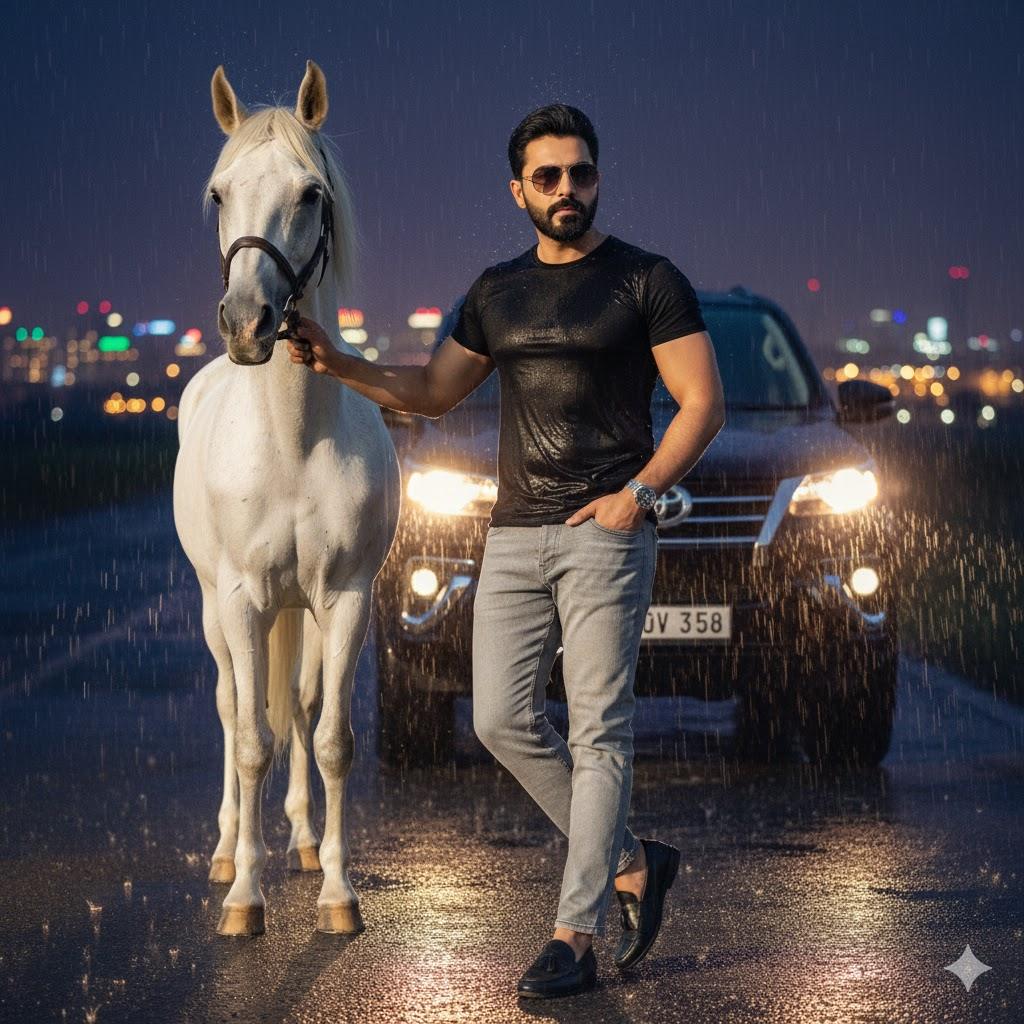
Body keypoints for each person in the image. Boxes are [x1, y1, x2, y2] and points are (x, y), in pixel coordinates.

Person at [287, 103, 725, 999]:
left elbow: (700, 404)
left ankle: (576, 933)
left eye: (583, 174)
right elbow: (431, 393)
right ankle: (636, 859)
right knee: (499, 719)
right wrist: (338, 363)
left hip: (604, 533)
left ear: (598, 178)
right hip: (516, 534)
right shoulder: (496, 290)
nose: (569, 190)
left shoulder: (646, 279)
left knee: (600, 730)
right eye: (550, 176)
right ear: (518, 189)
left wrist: (635, 498)